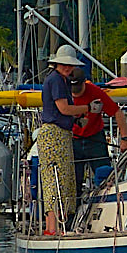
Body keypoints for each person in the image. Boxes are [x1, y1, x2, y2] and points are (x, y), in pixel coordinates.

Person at [39, 44, 92, 235]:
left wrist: (76, 117)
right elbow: (63, 109)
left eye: (69, 65)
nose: (67, 68)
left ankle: (53, 226)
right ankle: (54, 227)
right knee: (57, 178)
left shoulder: (58, 80)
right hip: (55, 134)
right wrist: (87, 108)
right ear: (57, 64)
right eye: (64, 65)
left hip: (59, 133)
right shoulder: (56, 81)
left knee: (57, 177)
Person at [69, 67, 127, 195]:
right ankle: (73, 210)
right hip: (73, 139)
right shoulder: (63, 94)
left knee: (104, 177)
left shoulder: (95, 92)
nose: (76, 93)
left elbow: (116, 112)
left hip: (95, 138)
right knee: (73, 182)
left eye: (78, 89)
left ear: (84, 82)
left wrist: (124, 138)